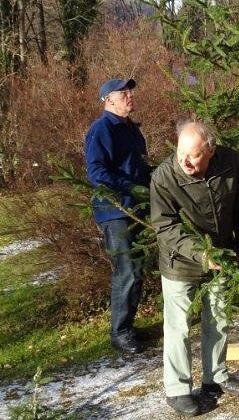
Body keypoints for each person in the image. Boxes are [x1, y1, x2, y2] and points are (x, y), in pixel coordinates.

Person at [150, 120, 239, 416]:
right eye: (180, 152)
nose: (185, 161)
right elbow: (165, 227)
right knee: (179, 326)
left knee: (218, 317)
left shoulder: (231, 162)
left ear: (211, 151)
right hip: (180, 260)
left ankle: (215, 376)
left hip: (221, 256)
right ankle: (177, 389)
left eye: (193, 155)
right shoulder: (164, 177)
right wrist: (201, 254)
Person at [84, 77, 151, 354]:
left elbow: (140, 167)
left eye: (130, 92)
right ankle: (120, 333)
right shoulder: (101, 129)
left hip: (137, 208)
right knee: (127, 271)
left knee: (137, 269)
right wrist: (130, 188)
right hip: (115, 210)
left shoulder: (132, 130)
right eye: (123, 93)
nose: (129, 96)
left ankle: (128, 327)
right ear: (108, 100)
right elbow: (96, 172)